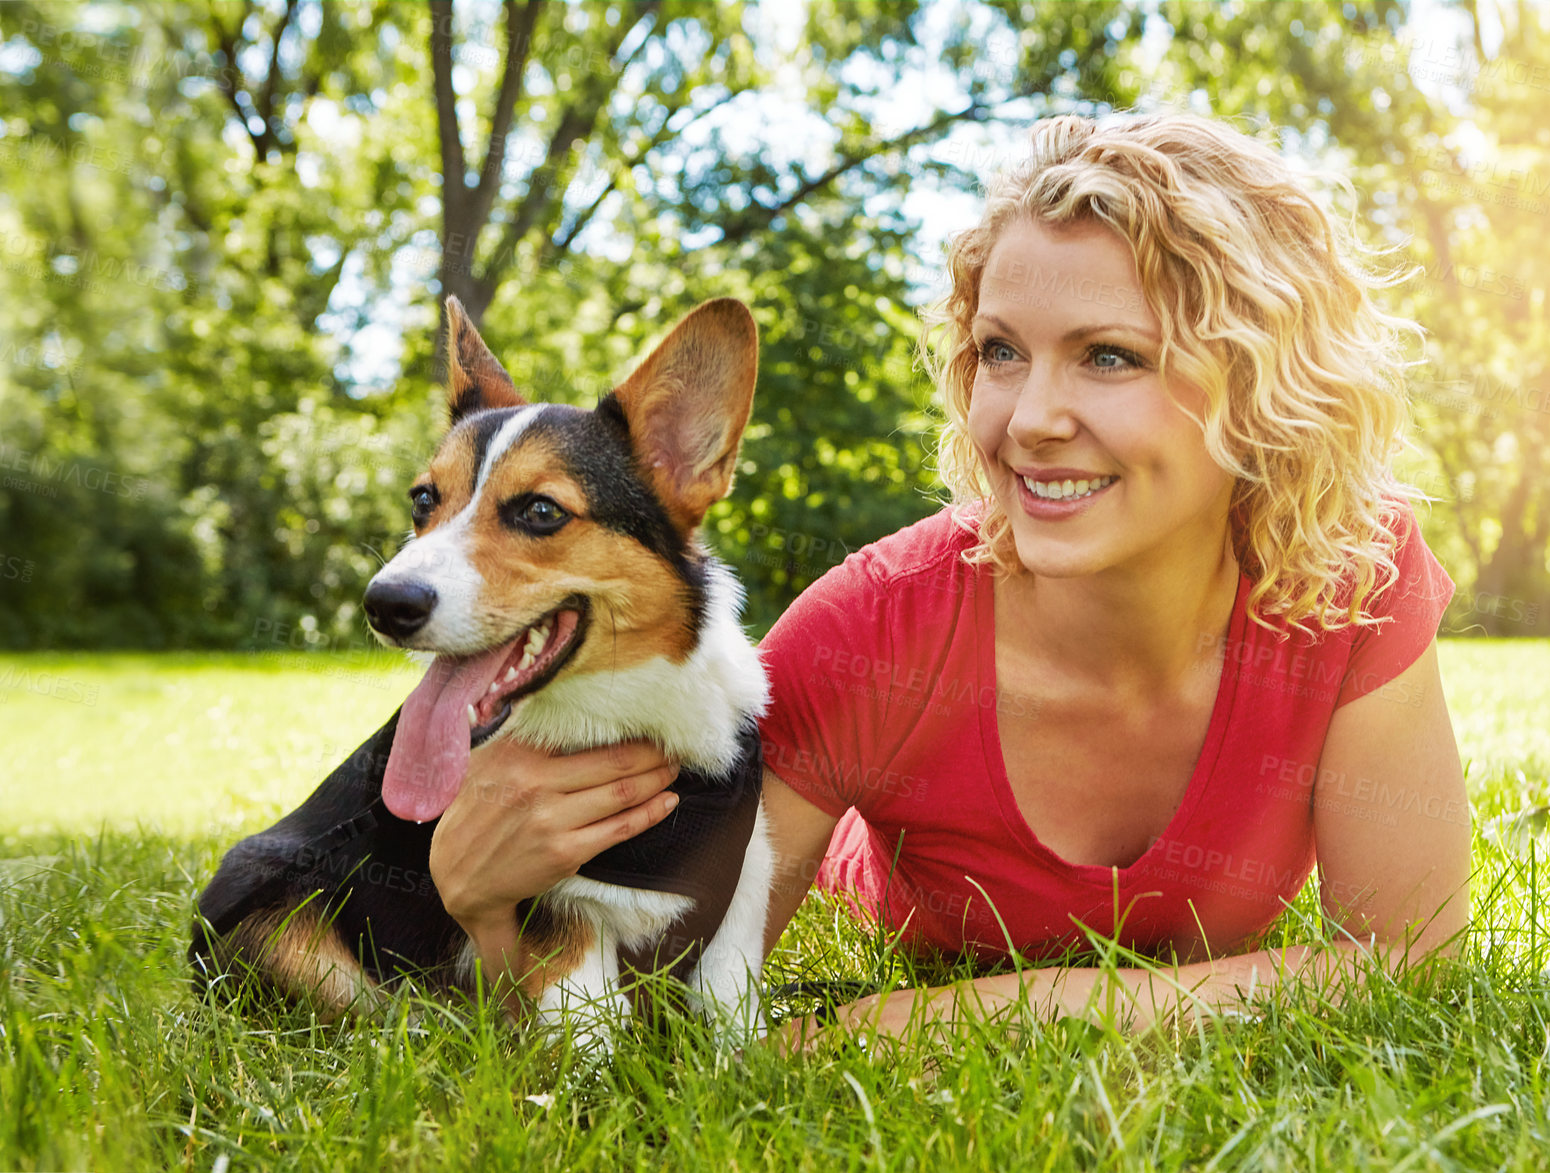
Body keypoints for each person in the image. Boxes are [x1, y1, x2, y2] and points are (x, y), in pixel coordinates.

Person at [428, 112, 1472, 1048]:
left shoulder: (1352, 578)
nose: (1027, 419)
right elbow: (656, 1003)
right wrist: (481, 907)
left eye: (1109, 356)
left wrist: (946, 1016)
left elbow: (1408, 959)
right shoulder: (871, 633)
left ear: (1263, 383)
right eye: (1002, 353)